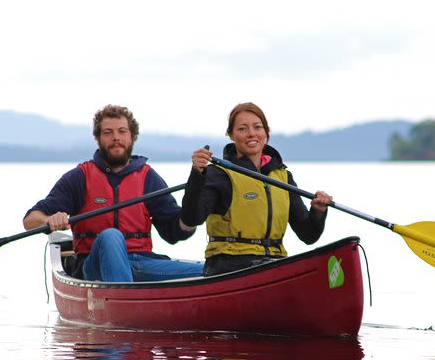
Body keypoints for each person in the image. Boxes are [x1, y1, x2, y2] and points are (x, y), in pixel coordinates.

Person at [23, 104, 203, 282]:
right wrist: (48, 220)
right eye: (108, 132)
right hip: (95, 265)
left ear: (132, 137)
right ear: (99, 139)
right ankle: (127, 302)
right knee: (110, 235)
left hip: (140, 263)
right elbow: (30, 219)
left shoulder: (148, 178)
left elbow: (174, 232)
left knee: (209, 271)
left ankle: (127, 295)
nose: (116, 137)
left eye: (122, 131)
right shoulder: (80, 177)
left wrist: (192, 214)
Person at [181, 102, 333, 276]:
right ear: (231, 135)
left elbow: (308, 235)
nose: (251, 133)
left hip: (274, 263)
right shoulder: (219, 174)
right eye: (243, 129)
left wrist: (318, 212)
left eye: (257, 127)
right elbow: (191, 218)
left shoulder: (283, 176)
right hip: (229, 266)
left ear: (266, 133)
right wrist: (196, 176)